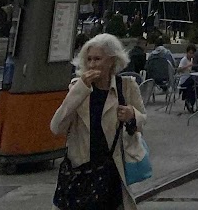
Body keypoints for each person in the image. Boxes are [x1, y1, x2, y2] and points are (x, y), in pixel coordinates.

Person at [50, 32, 146, 210]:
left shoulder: (126, 86)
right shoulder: (77, 87)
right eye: (89, 59)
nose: (92, 64)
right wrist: (80, 89)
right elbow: (56, 127)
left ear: (111, 61)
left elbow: (142, 122)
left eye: (98, 59)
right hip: (80, 172)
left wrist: (132, 115)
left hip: (112, 172)